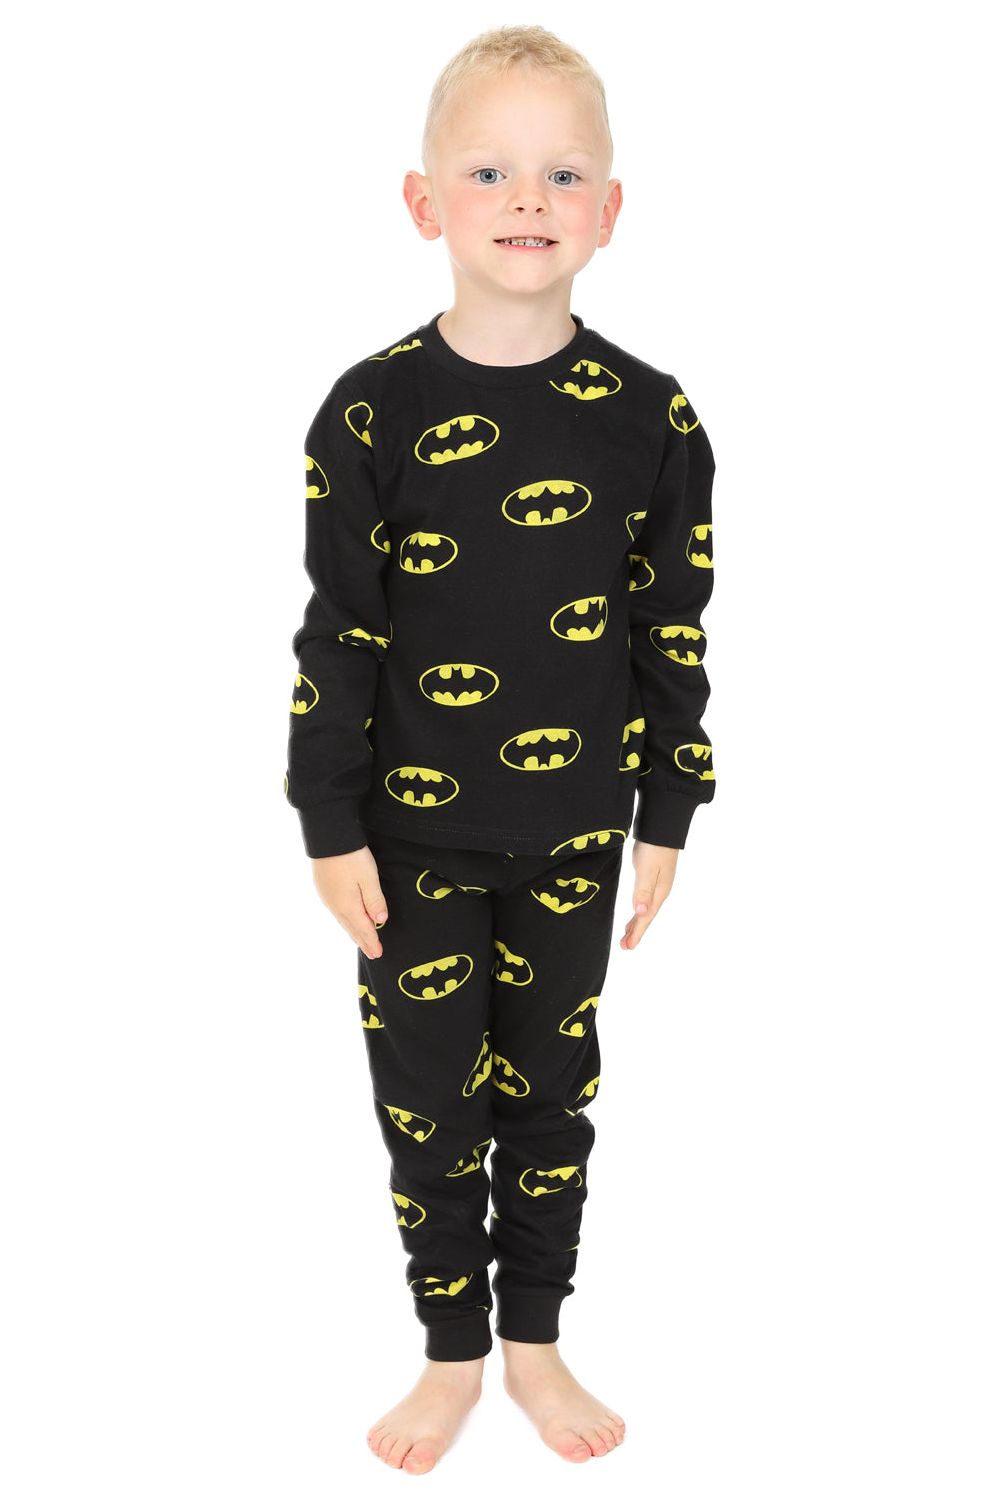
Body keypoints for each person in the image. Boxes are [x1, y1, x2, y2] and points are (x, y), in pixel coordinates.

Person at [284, 23, 716, 1475]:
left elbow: (672, 625)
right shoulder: (371, 409)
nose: (528, 198)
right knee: (429, 1107)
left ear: (609, 209)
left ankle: (534, 1341)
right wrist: (329, 823)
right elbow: (338, 631)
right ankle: (451, 1351)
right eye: (489, 171)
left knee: (550, 1097)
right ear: (426, 204)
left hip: (577, 832)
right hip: (407, 842)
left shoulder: (651, 418)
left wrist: (669, 812)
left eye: (563, 173)